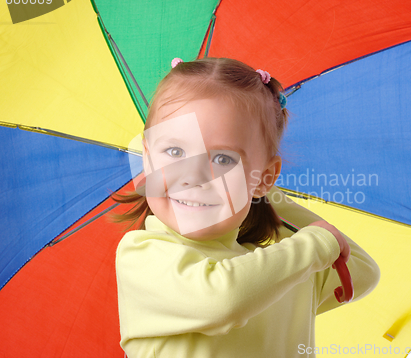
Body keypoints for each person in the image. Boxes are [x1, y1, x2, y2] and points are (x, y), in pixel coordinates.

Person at [114, 57, 380, 358]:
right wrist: (311, 241)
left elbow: (360, 270)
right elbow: (221, 299)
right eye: (175, 151)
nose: (193, 177)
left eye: (223, 160)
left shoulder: (280, 266)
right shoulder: (143, 254)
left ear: (266, 177)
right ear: (147, 160)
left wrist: (262, 192)